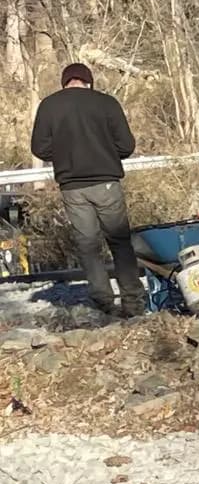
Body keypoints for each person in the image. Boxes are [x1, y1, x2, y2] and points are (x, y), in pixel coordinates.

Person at [29, 61, 142, 315]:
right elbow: (126, 145)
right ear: (88, 81)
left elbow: (39, 148)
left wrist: (62, 155)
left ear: (65, 83)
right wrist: (107, 154)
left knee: (87, 244)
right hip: (107, 183)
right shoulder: (106, 103)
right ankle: (133, 302)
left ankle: (103, 301)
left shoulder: (50, 105)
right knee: (120, 242)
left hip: (72, 186)